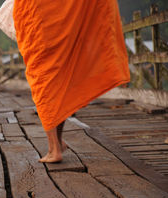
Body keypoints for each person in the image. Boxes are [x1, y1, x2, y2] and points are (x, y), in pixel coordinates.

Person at [13, 0, 130, 163]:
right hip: (60, 26)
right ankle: (58, 142)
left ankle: (53, 150)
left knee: (43, 85)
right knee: (60, 85)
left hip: (42, 25)